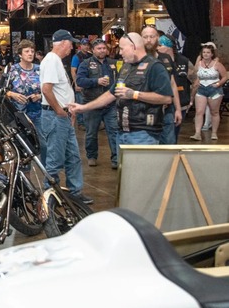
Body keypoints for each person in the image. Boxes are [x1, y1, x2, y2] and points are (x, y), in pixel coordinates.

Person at [70, 32, 173, 146]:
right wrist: (83, 107)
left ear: (133, 47)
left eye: (122, 49)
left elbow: (166, 98)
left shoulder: (155, 67)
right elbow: (111, 94)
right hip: (122, 133)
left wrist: (134, 94)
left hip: (143, 134)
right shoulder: (126, 67)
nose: (120, 52)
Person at [40, 30, 92, 205]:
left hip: (63, 116)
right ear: (62, 43)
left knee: (73, 156)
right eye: (70, 43)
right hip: (56, 116)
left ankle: (75, 192)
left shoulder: (56, 61)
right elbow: (46, 89)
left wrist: (68, 110)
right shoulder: (52, 60)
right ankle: (50, 196)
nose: (72, 46)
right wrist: (59, 111)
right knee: (55, 159)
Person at [76, 39, 118, 169]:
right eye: (99, 48)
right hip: (92, 103)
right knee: (91, 133)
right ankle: (92, 156)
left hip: (111, 105)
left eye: (104, 48)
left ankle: (116, 159)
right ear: (93, 50)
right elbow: (80, 81)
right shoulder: (85, 64)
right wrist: (96, 81)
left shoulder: (114, 63)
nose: (102, 50)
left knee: (114, 132)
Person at [141, 26, 181, 144]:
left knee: (169, 145)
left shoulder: (166, 58)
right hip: (144, 112)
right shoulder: (137, 60)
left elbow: (172, 84)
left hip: (167, 111)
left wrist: (177, 109)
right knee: (148, 148)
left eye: (152, 36)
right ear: (141, 39)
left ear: (157, 38)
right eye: (145, 37)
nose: (149, 40)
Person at [158, 35, 196, 141]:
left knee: (173, 135)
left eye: (160, 45)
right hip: (163, 104)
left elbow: (196, 81)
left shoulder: (184, 61)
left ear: (169, 46)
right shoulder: (157, 61)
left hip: (182, 103)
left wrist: (191, 100)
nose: (157, 47)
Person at [190, 42, 227, 141]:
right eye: (204, 52)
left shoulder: (217, 64)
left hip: (214, 89)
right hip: (201, 88)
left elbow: (225, 77)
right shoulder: (199, 64)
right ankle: (197, 133)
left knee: (214, 112)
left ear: (212, 54)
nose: (205, 54)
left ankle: (214, 132)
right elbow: (194, 75)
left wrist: (218, 84)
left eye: (208, 52)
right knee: (199, 111)